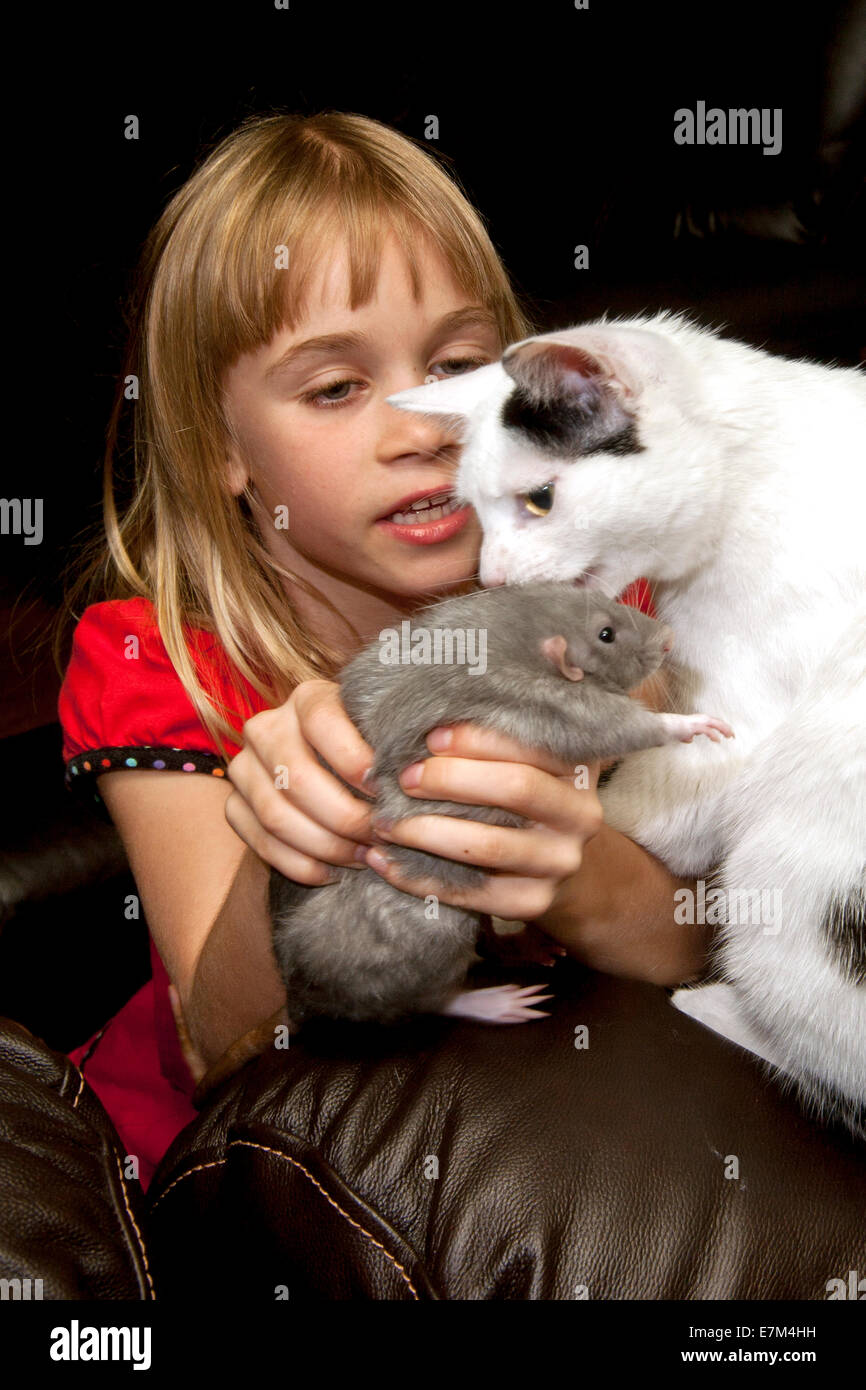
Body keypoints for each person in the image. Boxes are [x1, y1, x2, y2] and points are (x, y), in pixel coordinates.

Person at [55, 111, 711, 1191]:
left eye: (454, 364)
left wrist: (567, 863)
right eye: (335, 387)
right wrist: (290, 839)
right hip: (224, 1165)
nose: (424, 425)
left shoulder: (595, 610)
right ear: (220, 448)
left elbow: (688, 946)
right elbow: (218, 1042)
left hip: (498, 1134)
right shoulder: (155, 660)